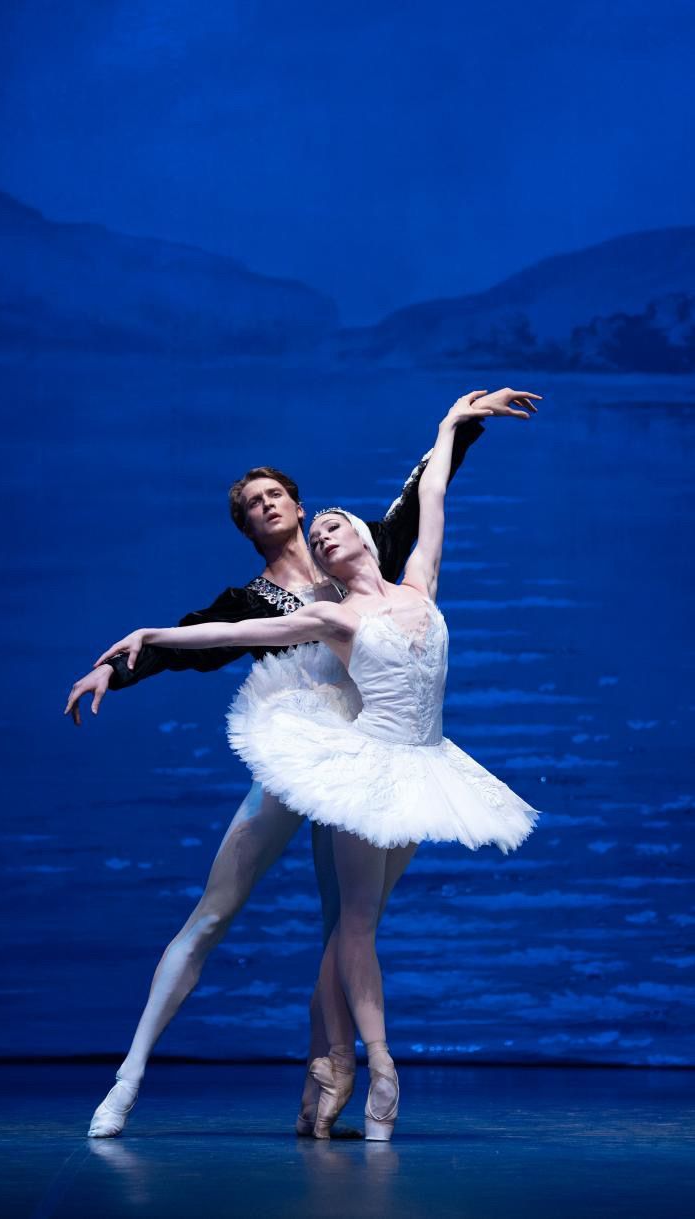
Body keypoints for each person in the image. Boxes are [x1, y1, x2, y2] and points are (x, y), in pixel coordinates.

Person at [92, 387, 541, 1140]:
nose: (266, 506)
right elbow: (202, 638)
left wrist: (458, 424)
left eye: (275, 495)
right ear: (245, 527)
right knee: (214, 911)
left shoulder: (364, 555)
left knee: (346, 928)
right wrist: (121, 662)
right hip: (301, 752)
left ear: (303, 508)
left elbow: (424, 493)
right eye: (251, 505)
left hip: (373, 757)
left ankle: (329, 1075)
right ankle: (127, 1076)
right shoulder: (261, 599)